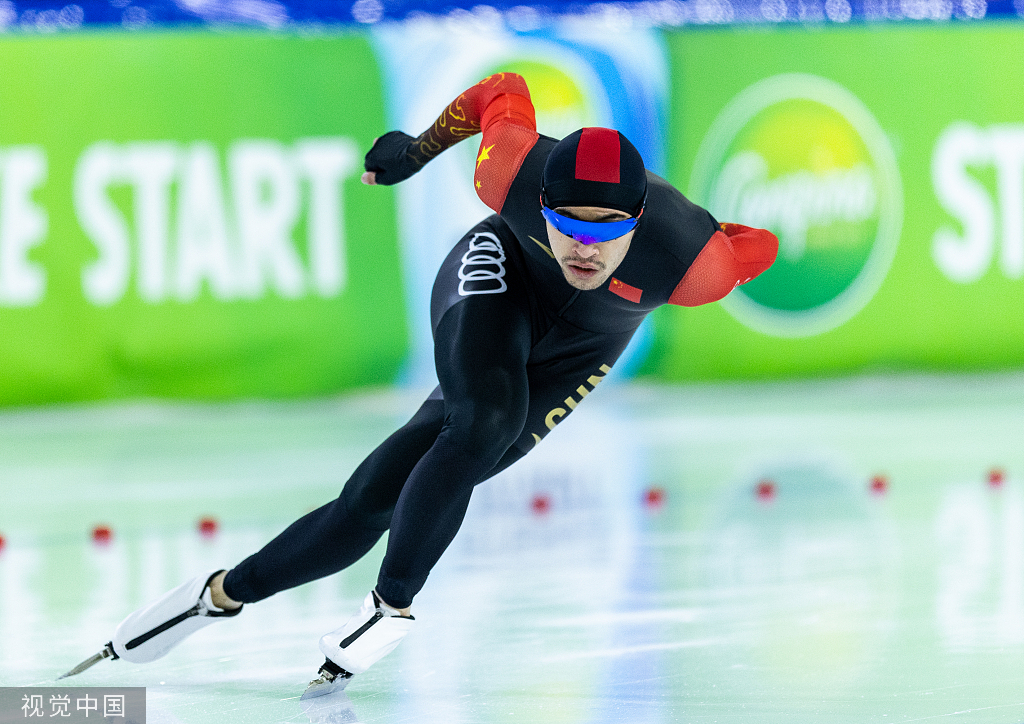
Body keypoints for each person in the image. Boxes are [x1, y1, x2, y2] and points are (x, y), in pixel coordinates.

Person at [61, 73, 778, 696]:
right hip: (496, 276)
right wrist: (413, 152)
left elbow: (761, 247)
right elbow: (500, 92)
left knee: (373, 500)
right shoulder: (509, 174)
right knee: (483, 420)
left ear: (641, 221)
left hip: (584, 346)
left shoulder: (695, 264)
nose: (582, 248)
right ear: (542, 204)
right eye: (565, 224)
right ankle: (392, 605)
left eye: (606, 232)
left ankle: (217, 596)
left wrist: (712, 228)